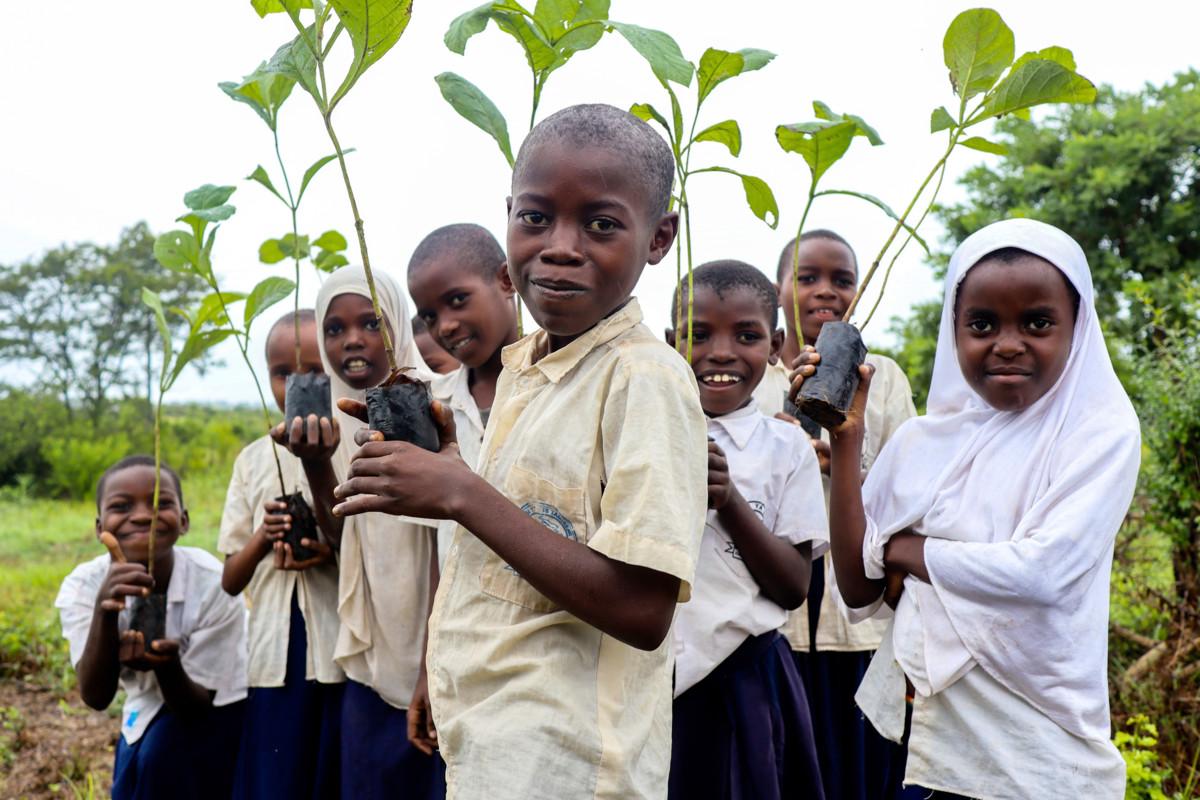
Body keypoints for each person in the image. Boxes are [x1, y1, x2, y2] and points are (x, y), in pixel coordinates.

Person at [333, 103, 708, 799]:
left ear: (659, 239)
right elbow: (517, 533)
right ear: (508, 217)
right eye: (535, 218)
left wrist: (461, 495)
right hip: (491, 740)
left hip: (569, 764)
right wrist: (438, 665)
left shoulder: (645, 378)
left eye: (601, 223)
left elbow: (644, 610)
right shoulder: (526, 370)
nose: (560, 246)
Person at [803, 218, 1139, 798]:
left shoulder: (1099, 432)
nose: (1007, 343)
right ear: (953, 331)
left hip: (1038, 750)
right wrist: (848, 440)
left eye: (1037, 322)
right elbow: (858, 589)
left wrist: (908, 550)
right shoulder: (923, 443)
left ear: (1078, 328)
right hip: (922, 745)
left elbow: (1042, 572)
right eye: (982, 324)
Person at [757, 230, 917, 799]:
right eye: (806, 277)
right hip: (771, 627)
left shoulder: (884, 376)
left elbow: (910, 496)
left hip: (859, 628)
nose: (825, 290)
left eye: (841, 279)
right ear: (778, 290)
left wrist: (843, 465)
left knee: (856, 774)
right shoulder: (753, 376)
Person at [275, 266, 445, 799]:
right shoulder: (334, 420)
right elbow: (343, 537)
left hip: (437, 652)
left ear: (397, 321)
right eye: (335, 328)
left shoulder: (435, 405)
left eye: (372, 322)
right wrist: (317, 464)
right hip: (373, 659)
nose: (352, 339)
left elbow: (448, 545)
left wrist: (431, 668)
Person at [665, 260, 826, 800]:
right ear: (669, 343)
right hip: (652, 681)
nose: (721, 353)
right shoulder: (644, 434)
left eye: (748, 335)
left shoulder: (786, 450)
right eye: (698, 334)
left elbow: (792, 586)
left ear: (776, 343)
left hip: (747, 682)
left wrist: (728, 499)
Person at [56, 456, 247, 800]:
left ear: (184, 521)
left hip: (221, 706)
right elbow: (96, 696)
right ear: (100, 528)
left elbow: (197, 708)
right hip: (144, 704)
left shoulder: (213, 583)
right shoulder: (84, 586)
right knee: (134, 774)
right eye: (122, 506)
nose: (143, 515)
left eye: (161, 503)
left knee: (163, 758)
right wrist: (106, 611)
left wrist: (167, 664)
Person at [220, 309, 344, 799]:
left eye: (316, 371)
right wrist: (263, 536)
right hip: (272, 654)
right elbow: (231, 579)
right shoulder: (252, 460)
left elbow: (368, 550)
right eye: (283, 373)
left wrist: (325, 551)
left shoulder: (353, 444)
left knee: (327, 776)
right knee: (276, 779)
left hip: (340, 650)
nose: (299, 384)